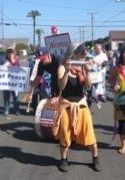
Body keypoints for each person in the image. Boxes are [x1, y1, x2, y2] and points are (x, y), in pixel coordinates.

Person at [54, 44, 101, 172]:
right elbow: (61, 86)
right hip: (66, 106)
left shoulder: (82, 68)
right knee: (65, 135)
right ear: (72, 53)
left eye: (85, 52)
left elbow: (89, 86)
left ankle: (95, 158)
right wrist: (67, 71)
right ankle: (64, 160)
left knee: (89, 134)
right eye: (81, 52)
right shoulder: (62, 68)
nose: (84, 54)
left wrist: (87, 71)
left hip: (81, 105)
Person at [2, 47, 21, 116]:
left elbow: (19, 69)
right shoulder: (4, 60)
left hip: (15, 82)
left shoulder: (17, 60)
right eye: (9, 52)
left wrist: (13, 62)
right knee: (6, 97)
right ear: (6, 53)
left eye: (11, 52)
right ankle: (6, 110)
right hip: (6, 82)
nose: (10, 54)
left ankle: (16, 110)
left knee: (16, 97)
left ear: (14, 53)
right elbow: (1, 68)